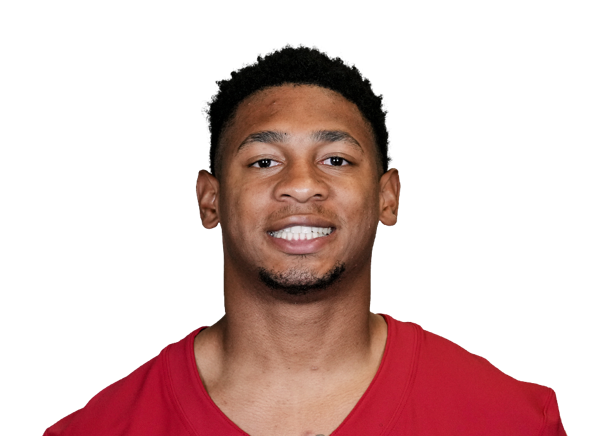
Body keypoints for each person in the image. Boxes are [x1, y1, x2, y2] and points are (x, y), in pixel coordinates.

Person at [43, 44, 567, 436]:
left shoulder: (512, 421)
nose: (300, 184)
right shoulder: (96, 431)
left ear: (388, 197)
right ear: (209, 200)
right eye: (263, 161)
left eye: (336, 159)